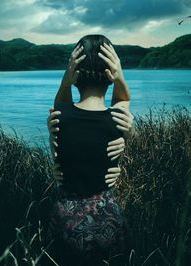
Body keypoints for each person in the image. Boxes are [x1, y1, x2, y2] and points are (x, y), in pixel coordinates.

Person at [44, 34, 135, 266]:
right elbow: (123, 99)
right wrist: (120, 74)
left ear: (75, 77)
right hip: (107, 217)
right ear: (110, 75)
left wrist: (66, 80)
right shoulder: (117, 120)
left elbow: (60, 104)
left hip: (66, 218)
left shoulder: (59, 118)